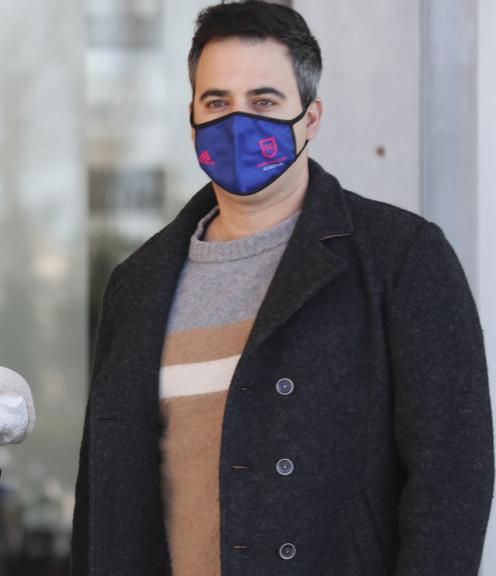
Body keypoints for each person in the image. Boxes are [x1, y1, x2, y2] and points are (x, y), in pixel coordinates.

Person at [71, 2, 493, 575]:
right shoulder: (137, 284)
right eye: (216, 102)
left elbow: (453, 474)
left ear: (311, 118)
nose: (238, 122)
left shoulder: (401, 257)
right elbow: (105, 497)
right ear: (191, 116)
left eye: (264, 102)